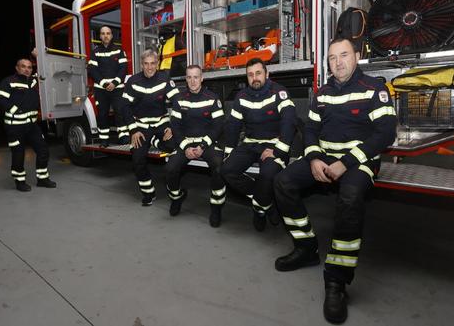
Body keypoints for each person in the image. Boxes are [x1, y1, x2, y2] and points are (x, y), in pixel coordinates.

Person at [273, 38, 397, 324]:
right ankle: (306, 248)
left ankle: (336, 281)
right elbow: (311, 130)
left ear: (357, 56)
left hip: (359, 162)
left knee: (351, 196)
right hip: (324, 157)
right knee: (282, 182)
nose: (337, 62)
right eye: (331, 58)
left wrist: (346, 162)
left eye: (343, 55)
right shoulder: (323, 93)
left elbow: (384, 134)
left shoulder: (374, 89)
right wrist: (315, 158)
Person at [220, 58, 297, 231]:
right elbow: (233, 125)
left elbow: (289, 121)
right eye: (250, 75)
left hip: (274, 144)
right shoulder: (241, 97)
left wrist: (278, 150)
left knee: (268, 174)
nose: (254, 78)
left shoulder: (279, 92)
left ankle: (259, 211)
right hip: (250, 144)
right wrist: (229, 153)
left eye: (258, 73)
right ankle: (265, 203)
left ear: (267, 74)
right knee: (226, 170)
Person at [165, 65, 225, 226]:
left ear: (202, 78)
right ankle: (177, 198)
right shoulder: (179, 99)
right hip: (186, 143)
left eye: (196, 77)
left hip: (208, 142)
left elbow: (218, 125)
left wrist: (203, 146)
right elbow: (176, 127)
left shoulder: (212, 98)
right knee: (170, 168)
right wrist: (185, 147)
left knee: (219, 167)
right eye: (189, 77)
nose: (192, 81)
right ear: (186, 79)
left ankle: (216, 207)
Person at [122, 49, 179, 206]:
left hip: (161, 123)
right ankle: (148, 193)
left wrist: (172, 127)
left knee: (173, 146)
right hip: (141, 126)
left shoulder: (165, 78)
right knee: (137, 158)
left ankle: (155, 140)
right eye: (146, 64)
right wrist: (133, 130)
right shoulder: (133, 81)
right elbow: (125, 107)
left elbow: (178, 103)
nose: (149, 67)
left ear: (157, 64)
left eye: (153, 63)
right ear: (141, 64)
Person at [0, 58, 57, 192]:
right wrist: (15, 110)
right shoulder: (9, 82)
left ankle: (42, 179)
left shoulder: (34, 81)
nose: (27, 69)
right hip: (15, 126)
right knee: (18, 154)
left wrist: (37, 55)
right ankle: (20, 181)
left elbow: (45, 70)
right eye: (23, 66)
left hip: (31, 125)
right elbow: (0, 98)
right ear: (17, 68)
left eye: (29, 67)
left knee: (43, 150)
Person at [88, 26, 129, 146]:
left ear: (111, 35)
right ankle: (104, 139)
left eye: (108, 33)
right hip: (101, 89)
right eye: (103, 33)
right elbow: (93, 70)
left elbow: (123, 69)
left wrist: (114, 83)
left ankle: (124, 137)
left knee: (120, 111)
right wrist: (105, 84)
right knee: (102, 114)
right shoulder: (95, 52)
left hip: (117, 88)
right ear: (100, 36)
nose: (106, 36)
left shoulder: (119, 51)